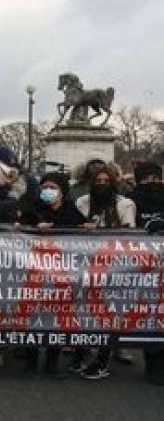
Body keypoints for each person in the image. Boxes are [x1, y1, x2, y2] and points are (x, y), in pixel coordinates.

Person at [20, 172, 86, 377]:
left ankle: (51, 362)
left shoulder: (72, 213)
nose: (48, 191)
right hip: (35, 271)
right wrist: (33, 228)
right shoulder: (33, 210)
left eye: (53, 187)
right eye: (45, 187)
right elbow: (19, 230)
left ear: (63, 191)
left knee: (59, 315)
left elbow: (82, 235)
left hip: (62, 274)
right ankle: (31, 363)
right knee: (34, 313)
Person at [73, 164, 136, 379]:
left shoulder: (124, 204)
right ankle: (81, 352)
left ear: (113, 183)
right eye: (98, 181)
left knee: (107, 311)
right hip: (85, 262)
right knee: (82, 307)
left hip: (112, 264)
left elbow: (129, 233)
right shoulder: (82, 202)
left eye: (105, 181)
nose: (101, 185)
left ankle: (102, 357)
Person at [127, 162, 164, 384]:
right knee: (150, 311)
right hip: (145, 263)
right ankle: (153, 363)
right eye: (147, 179)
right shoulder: (131, 199)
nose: (152, 182)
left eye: (155, 178)